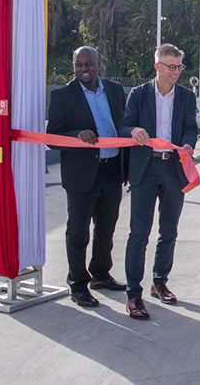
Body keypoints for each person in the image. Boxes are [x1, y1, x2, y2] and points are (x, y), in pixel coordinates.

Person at [121, 44, 198, 320]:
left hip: (173, 169)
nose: (176, 72)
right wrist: (133, 129)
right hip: (145, 167)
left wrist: (189, 144)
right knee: (138, 233)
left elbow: (190, 126)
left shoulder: (187, 97)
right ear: (157, 67)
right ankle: (133, 294)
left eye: (179, 66)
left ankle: (159, 281)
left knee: (169, 231)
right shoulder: (139, 95)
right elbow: (123, 125)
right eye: (171, 67)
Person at [46, 46, 127, 308]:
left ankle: (101, 275)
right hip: (81, 174)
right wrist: (76, 135)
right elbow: (52, 138)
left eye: (88, 64)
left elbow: (124, 126)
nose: (84, 69)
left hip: (112, 169)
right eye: (79, 64)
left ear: (98, 64)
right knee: (78, 232)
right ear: (73, 65)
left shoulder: (115, 91)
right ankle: (78, 284)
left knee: (106, 228)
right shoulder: (63, 96)